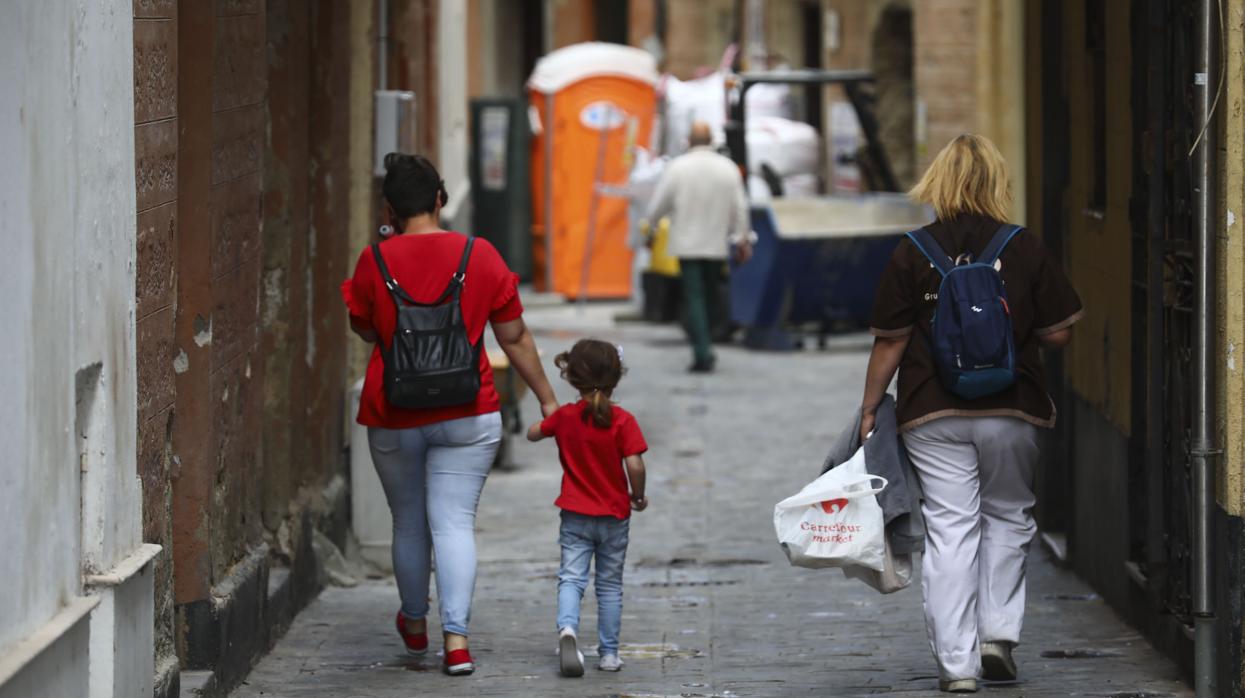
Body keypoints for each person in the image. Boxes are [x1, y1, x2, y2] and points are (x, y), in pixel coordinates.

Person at [859, 134, 1083, 693]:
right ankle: (998, 638)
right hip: (1013, 406)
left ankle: (958, 666)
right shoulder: (1024, 245)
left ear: (937, 182)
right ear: (996, 182)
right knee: (1008, 517)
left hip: (932, 412)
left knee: (951, 529)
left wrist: (869, 409)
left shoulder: (913, 248)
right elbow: (1057, 333)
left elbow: (890, 341)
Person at [342, 153, 559, 676]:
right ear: (441, 199)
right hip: (469, 410)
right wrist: (548, 400)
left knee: (409, 523)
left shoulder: (374, 260)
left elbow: (367, 331)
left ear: (389, 209)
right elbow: (515, 336)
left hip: (394, 412)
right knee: (455, 523)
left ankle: (414, 625)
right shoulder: (479, 255)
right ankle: (456, 642)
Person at [526, 339, 648, 677]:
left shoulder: (565, 417)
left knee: (571, 578)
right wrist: (637, 495)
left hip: (575, 516)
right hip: (613, 515)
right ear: (616, 377)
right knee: (609, 585)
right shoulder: (623, 420)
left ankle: (568, 629)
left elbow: (532, 434)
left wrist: (548, 419)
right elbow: (635, 464)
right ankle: (609, 655)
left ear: (571, 377)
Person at [647, 121, 753, 373]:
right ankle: (705, 345)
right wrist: (742, 238)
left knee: (694, 297)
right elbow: (740, 207)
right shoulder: (728, 168)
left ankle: (702, 351)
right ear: (712, 141)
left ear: (688, 141)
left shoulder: (677, 168)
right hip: (716, 244)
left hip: (687, 244)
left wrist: (650, 227)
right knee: (709, 296)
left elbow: (659, 204)